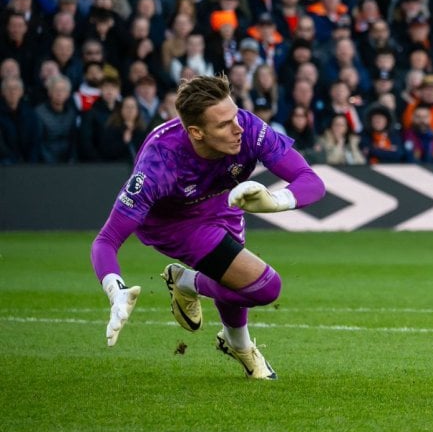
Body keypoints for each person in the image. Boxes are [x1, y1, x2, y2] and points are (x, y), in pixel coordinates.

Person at [89, 75, 326, 379]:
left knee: (235, 274)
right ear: (197, 132)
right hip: (176, 223)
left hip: (222, 202)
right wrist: (115, 289)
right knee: (267, 287)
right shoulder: (159, 163)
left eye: (236, 115)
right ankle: (190, 284)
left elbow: (312, 182)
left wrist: (274, 200)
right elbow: (107, 239)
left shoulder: (248, 128)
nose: (237, 127)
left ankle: (236, 342)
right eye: (224, 124)